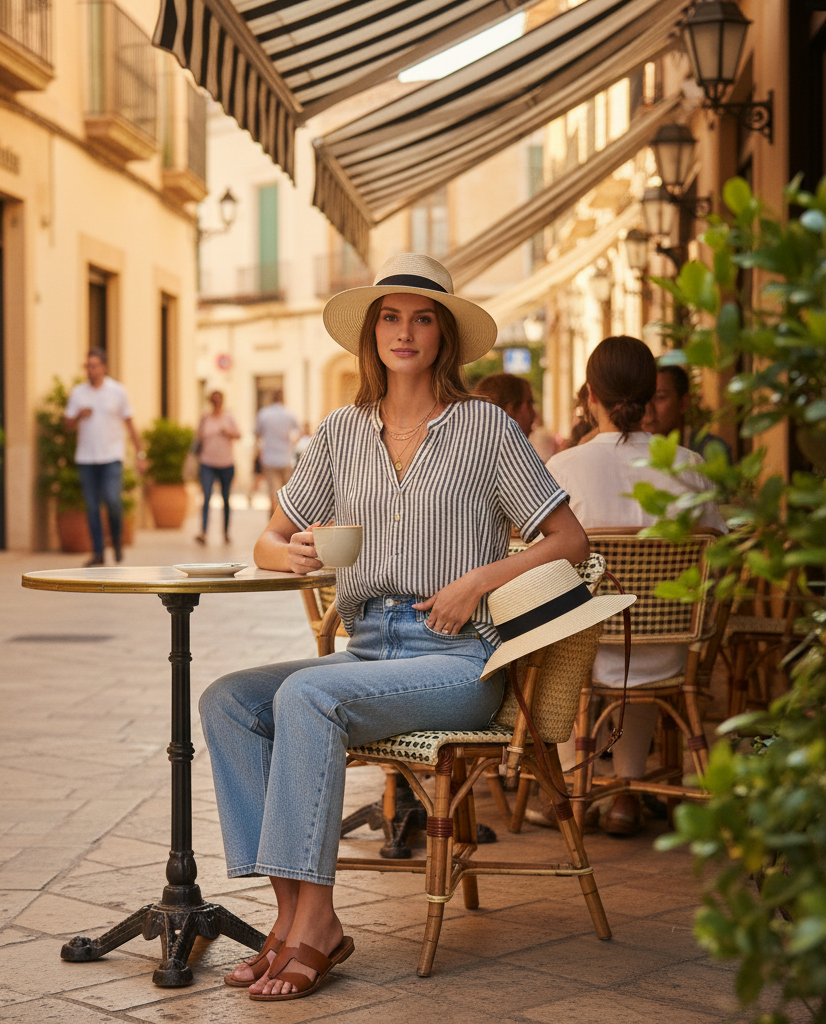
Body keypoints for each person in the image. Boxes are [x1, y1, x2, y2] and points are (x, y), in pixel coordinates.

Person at [200, 253, 589, 1001]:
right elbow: (266, 540)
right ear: (371, 332)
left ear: (443, 336)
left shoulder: (486, 429)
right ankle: (292, 919)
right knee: (227, 701)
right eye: (390, 317)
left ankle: (316, 927)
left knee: (306, 698)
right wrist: (293, 552)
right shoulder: (341, 432)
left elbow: (569, 540)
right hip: (367, 649)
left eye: (421, 318)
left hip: (457, 661)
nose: (404, 332)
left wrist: (478, 581)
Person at [545, 336, 725, 835]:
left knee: (554, 637)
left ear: (590, 396)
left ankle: (569, 786)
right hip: (673, 649)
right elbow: (723, 557)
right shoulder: (690, 467)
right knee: (637, 630)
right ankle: (627, 792)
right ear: (650, 397)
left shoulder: (563, 469)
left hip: (587, 651)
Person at [63, 349, 146, 567]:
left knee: (112, 501)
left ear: (104, 367)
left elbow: (130, 423)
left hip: (111, 457)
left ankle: (116, 541)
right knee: (92, 507)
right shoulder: (78, 393)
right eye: (88, 366)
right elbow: (67, 426)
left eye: (94, 366)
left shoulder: (118, 391)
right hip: (86, 459)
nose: (90, 370)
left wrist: (140, 455)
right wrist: (78, 416)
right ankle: (98, 553)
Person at [643, 363, 732, 464]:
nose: (648, 408)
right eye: (643, 399)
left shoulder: (708, 449)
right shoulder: (634, 450)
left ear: (683, 403)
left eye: (660, 397)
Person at [195, 390, 241, 546]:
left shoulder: (228, 418)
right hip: (207, 463)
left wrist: (228, 432)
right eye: (213, 400)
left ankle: (226, 532)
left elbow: (239, 434)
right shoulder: (205, 418)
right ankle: (203, 532)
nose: (216, 403)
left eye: (218, 400)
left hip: (226, 463)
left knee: (226, 498)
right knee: (206, 496)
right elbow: (198, 437)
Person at [254, 389, 299, 516]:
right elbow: (299, 432)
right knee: (286, 493)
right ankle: (283, 517)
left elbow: (257, 434)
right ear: (283, 399)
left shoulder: (264, 414)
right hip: (286, 457)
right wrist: (292, 443)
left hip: (269, 458)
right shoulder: (289, 415)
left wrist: (259, 452)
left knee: (272, 492)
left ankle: (273, 518)